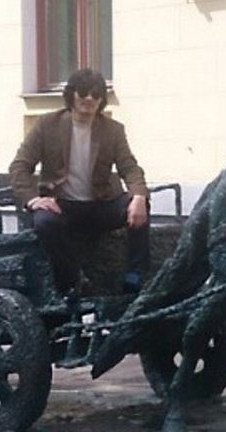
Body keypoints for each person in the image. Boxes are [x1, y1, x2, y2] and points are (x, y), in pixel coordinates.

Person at [9, 68, 150, 294]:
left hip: (99, 205)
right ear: (71, 95)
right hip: (62, 206)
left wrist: (139, 196)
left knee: (139, 205)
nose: (89, 99)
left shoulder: (112, 130)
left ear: (102, 99)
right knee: (44, 223)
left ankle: (135, 275)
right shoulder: (48, 125)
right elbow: (19, 167)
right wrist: (33, 200)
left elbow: (130, 167)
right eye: (83, 92)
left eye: (96, 94)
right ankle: (73, 280)